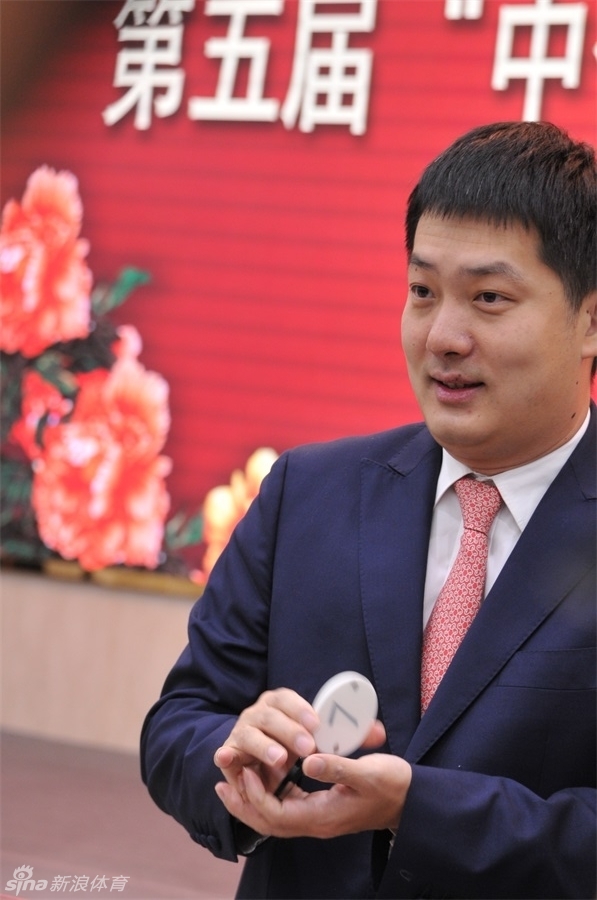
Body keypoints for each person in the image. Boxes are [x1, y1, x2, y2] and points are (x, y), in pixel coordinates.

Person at [140, 121, 596, 899]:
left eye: (488, 298)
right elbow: (179, 720)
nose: (442, 336)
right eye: (422, 292)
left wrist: (420, 811)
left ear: (588, 319)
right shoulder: (305, 492)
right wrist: (240, 752)